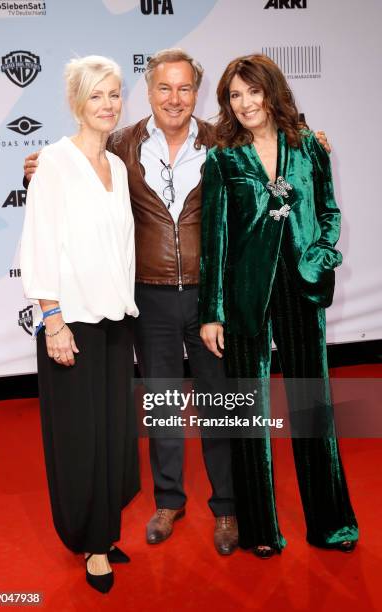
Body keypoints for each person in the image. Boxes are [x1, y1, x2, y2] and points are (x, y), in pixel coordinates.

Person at [23, 48, 330, 557]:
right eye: (164, 87)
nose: (175, 98)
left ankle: (227, 507)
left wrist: (310, 143)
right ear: (148, 92)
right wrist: (36, 167)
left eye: (185, 88)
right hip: (149, 296)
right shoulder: (120, 144)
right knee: (163, 404)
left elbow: (275, 153)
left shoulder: (223, 142)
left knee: (218, 406)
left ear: (197, 92)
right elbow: (74, 170)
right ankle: (168, 500)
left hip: (212, 299)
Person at [198, 54, 358, 558]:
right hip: (246, 295)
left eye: (252, 92)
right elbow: (215, 241)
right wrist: (211, 311)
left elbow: (330, 211)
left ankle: (330, 525)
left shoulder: (308, 146)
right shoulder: (223, 159)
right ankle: (261, 530)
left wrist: (320, 255)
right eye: (234, 96)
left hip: (302, 290)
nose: (244, 104)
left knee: (313, 408)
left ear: (271, 92)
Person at [20, 55, 140, 593]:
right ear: (76, 103)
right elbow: (40, 245)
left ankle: (105, 529)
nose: (108, 105)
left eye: (114, 94)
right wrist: (53, 321)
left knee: (113, 435)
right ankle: (91, 544)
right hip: (73, 323)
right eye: (96, 95)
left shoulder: (116, 165)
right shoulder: (53, 163)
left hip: (116, 320)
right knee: (80, 440)